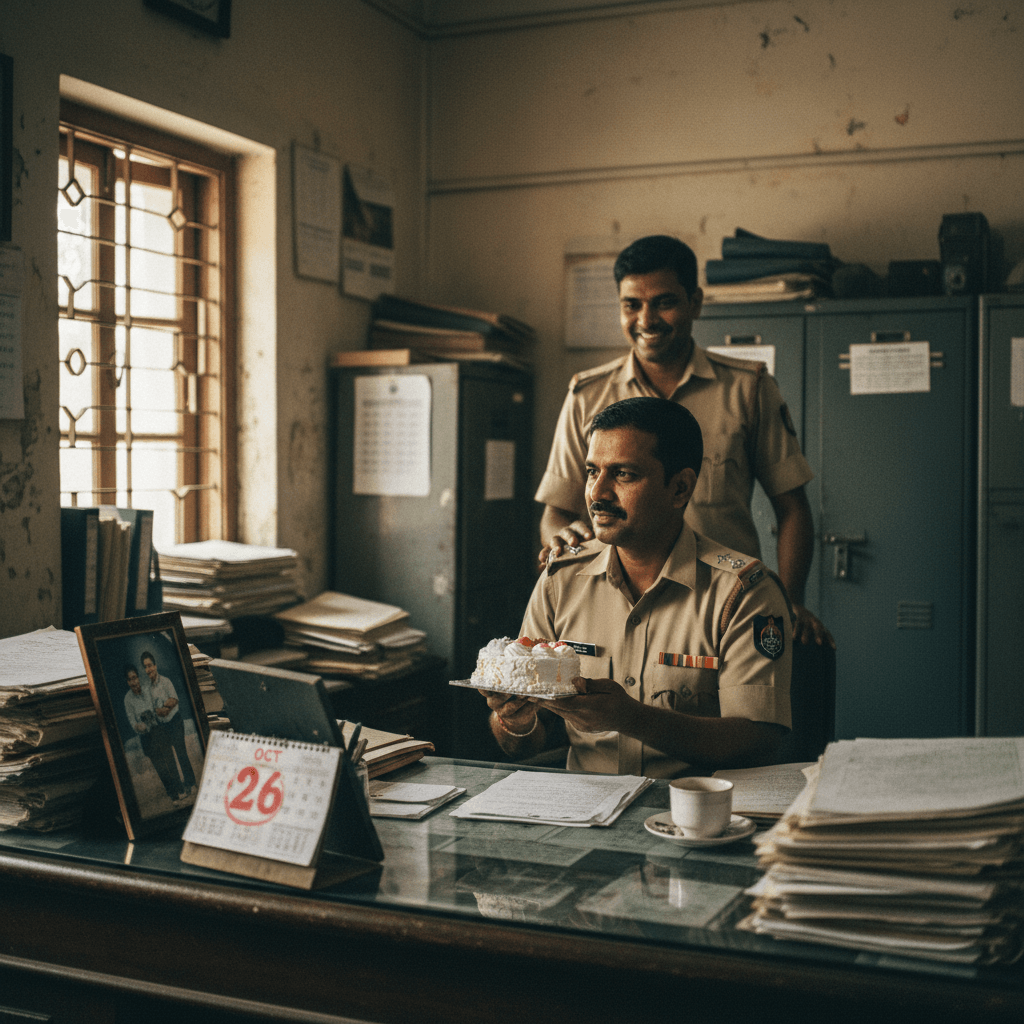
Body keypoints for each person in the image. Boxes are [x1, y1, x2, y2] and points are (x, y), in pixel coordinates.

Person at [536, 234, 833, 647]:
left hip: (725, 608)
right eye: (631, 305)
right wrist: (561, 535)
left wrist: (791, 601)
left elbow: (793, 508)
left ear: (695, 302)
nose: (646, 320)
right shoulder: (588, 395)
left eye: (664, 302)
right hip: (617, 611)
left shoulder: (747, 388)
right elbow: (555, 514)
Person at [482, 397, 792, 778]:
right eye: (592, 472)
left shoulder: (742, 593)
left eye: (623, 474)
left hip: (691, 812)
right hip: (584, 810)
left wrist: (633, 719)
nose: (597, 494)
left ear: (680, 488)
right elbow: (525, 744)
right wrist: (514, 719)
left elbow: (760, 742)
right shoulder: (560, 579)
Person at [140, 650, 198, 800]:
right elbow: (150, 708)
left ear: (156, 665)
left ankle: (191, 783)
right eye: (145, 667)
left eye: (150, 665)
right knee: (170, 759)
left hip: (175, 721)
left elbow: (174, 700)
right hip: (162, 727)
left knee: (181, 752)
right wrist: (160, 708)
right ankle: (179, 788)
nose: (149, 669)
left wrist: (163, 707)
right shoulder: (147, 689)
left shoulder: (166, 681)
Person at [122, 664, 181, 802]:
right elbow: (132, 722)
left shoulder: (148, 689)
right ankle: (173, 795)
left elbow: (158, 705)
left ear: (138, 677)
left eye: (135, 678)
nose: (134, 682)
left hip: (159, 729)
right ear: (127, 682)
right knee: (160, 767)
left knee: (170, 759)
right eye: (130, 679)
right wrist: (139, 726)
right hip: (147, 737)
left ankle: (180, 788)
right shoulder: (127, 699)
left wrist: (157, 712)